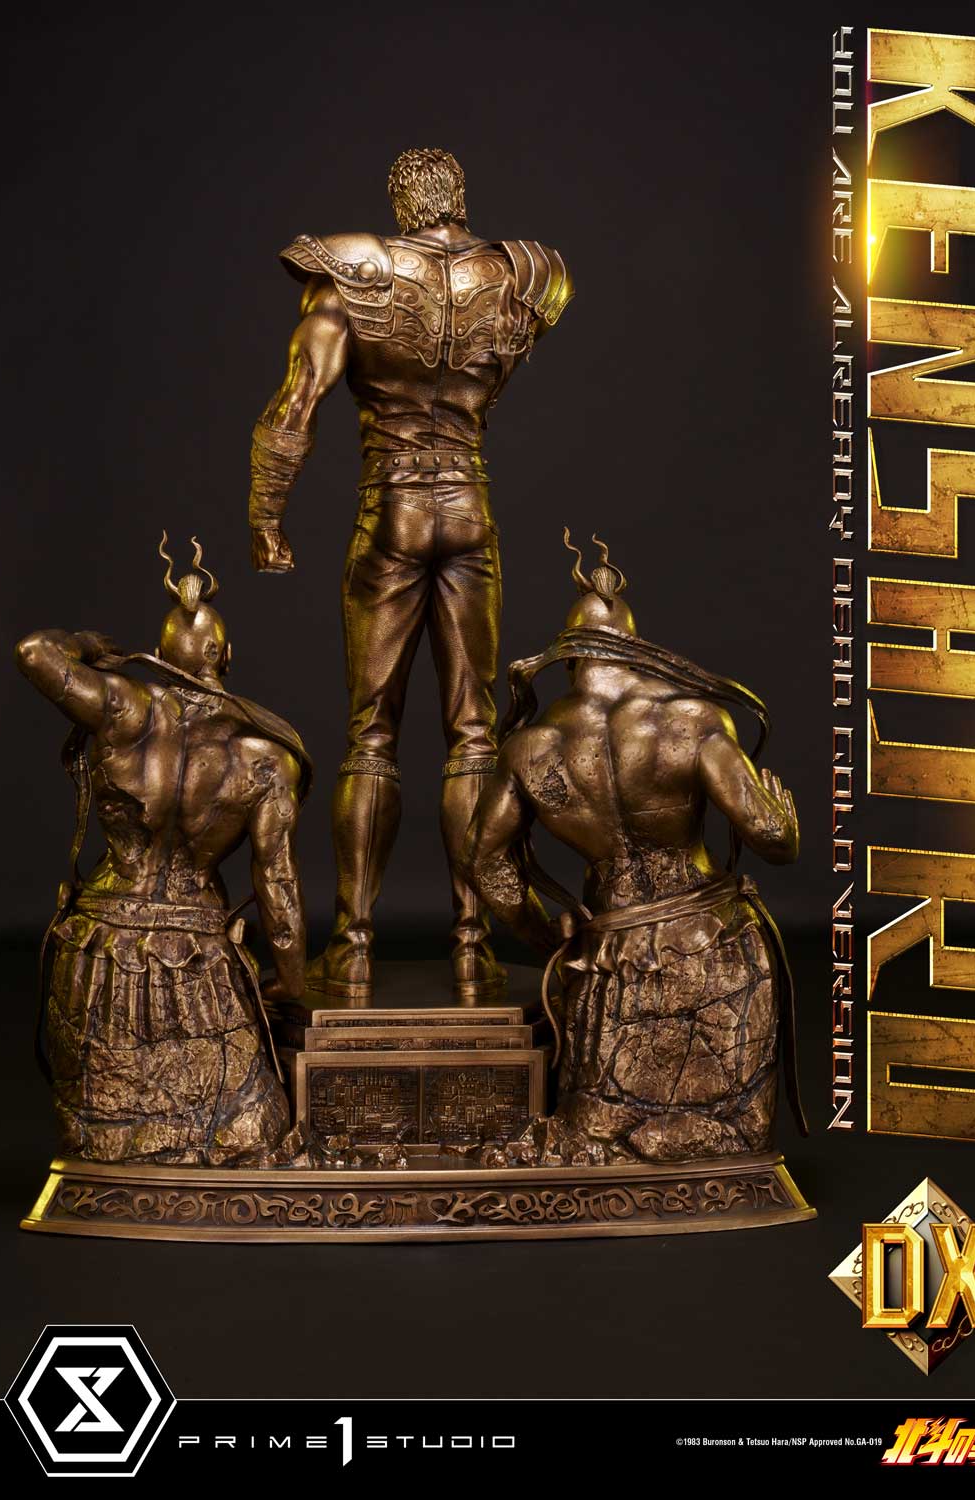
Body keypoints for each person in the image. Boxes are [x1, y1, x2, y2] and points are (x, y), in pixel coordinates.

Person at [247, 147, 573, 1001]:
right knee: (474, 732)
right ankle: (473, 947)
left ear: (402, 203)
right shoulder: (525, 275)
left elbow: (295, 406)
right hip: (469, 507)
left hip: (390, 505)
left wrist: (266, 520)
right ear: (459, 198)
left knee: (371, 735)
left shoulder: (350, 275)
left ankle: (353, 946)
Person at [464, 534, 806, 1164]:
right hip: (714, 949)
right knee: (735, 1136)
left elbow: (486, 861)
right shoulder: (691, 720)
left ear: (569, 658)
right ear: (634, 646)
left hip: (610, 962)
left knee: (600, 1131)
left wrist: (545, 938)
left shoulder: (530, 747)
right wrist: (786, 820)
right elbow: (771, 839)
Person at [16, 536, 311, 1165]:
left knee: (105, 1130)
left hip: (100, 946)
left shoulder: (124, 707)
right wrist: (290, 982)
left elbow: (35, 652)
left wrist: (86, 645)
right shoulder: (266, 760)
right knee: (245, 1134)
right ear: (224, 656)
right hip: (196, 954)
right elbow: (278, 884)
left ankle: (116, 1183)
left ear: (162, 652)